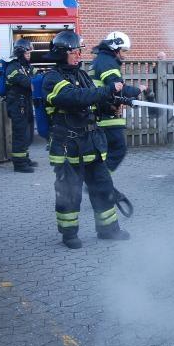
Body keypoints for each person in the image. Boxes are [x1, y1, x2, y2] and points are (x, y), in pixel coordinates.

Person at [41, 30, 130, 249]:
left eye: (79, 51)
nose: (79, 55)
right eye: (74, 52)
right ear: (62, 53)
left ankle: (108, 230)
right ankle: (69, 234)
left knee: (103, 186)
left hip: (91, 142)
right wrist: (108, 89)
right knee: (69, 192)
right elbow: (75, 98)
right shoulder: (53, 78)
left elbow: (92, 102)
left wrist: (111, 104)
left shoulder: (80, 75)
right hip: (67, 146)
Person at [89, 31, 147, 173]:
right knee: (118, 148)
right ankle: (100, 181)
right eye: (124, 50)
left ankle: (98, 180)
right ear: (115, 48)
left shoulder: (100, 60)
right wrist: (138, 90)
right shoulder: (107, 63)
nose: (125, 55)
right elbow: (117, 88)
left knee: (103, 152)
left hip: (102, 111)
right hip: (105, 114)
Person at [5, 38, 37, 172]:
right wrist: (34, 82)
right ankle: (19, 164)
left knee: (27, 133)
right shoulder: (13, 67)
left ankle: (25, 158)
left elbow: (35, 79)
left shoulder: (27, 67)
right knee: (20, 133)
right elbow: (27, 82)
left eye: (30, 53)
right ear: (20, 53)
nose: (29, 56)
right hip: (17, 105)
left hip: (26, 103)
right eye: (27, 53)